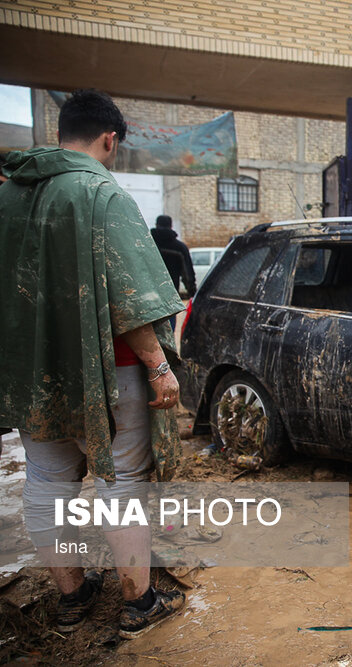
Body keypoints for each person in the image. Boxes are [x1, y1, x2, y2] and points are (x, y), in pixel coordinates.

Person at [0, 89, 186, 639]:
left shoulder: (10, 197)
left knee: (45, 482)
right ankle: (139, 602)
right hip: (111, 373)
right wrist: (158, 365)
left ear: (62, 134)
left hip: (35, 376)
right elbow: (131, 297)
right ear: (110, 138)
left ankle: (73, 596)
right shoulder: (102, 194)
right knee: (122, 482)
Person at [150, 214, 197, 329]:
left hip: (148, 297)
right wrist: (193, 294)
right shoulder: (179, 248)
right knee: (168, 334)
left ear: (156, 225)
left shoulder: (146, 245)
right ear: (171, 227)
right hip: (169, 297)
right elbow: (188, 275)